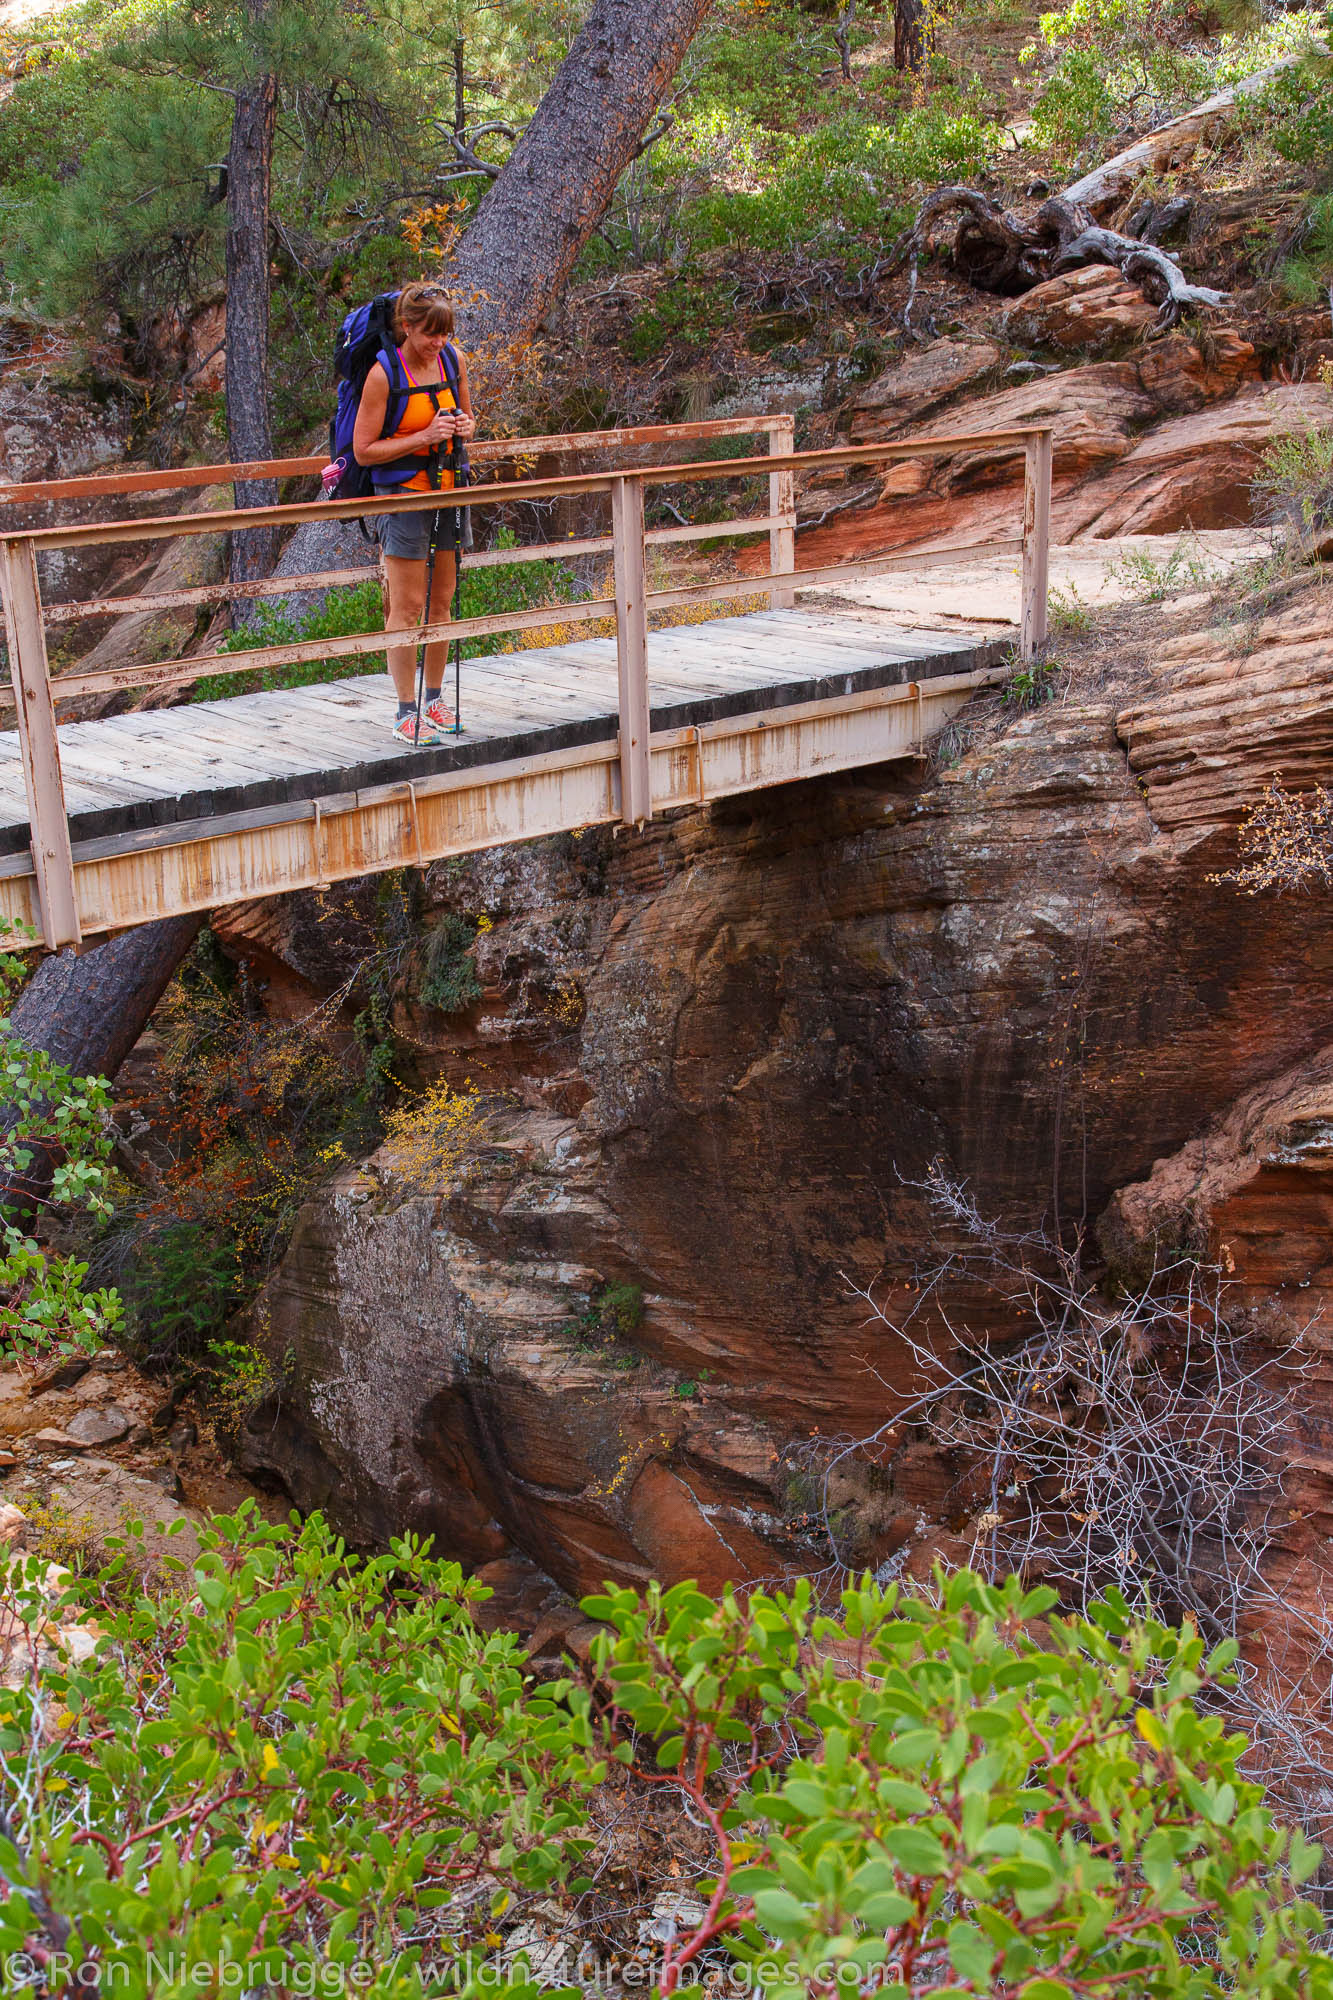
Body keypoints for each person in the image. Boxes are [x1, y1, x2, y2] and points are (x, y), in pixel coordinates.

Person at [352, 282, 475, 745]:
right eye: (429, 333)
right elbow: (364, 451)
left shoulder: (452, 361)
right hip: (403, 498)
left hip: (448, 489)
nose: (437, 342)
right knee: (405, 607)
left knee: (441, 602)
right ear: (407, 326)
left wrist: (464, 425)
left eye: (444, 333)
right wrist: (423, 436)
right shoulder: (384, 375)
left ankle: (434, 700)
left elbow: (468, 418)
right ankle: (406, 711)